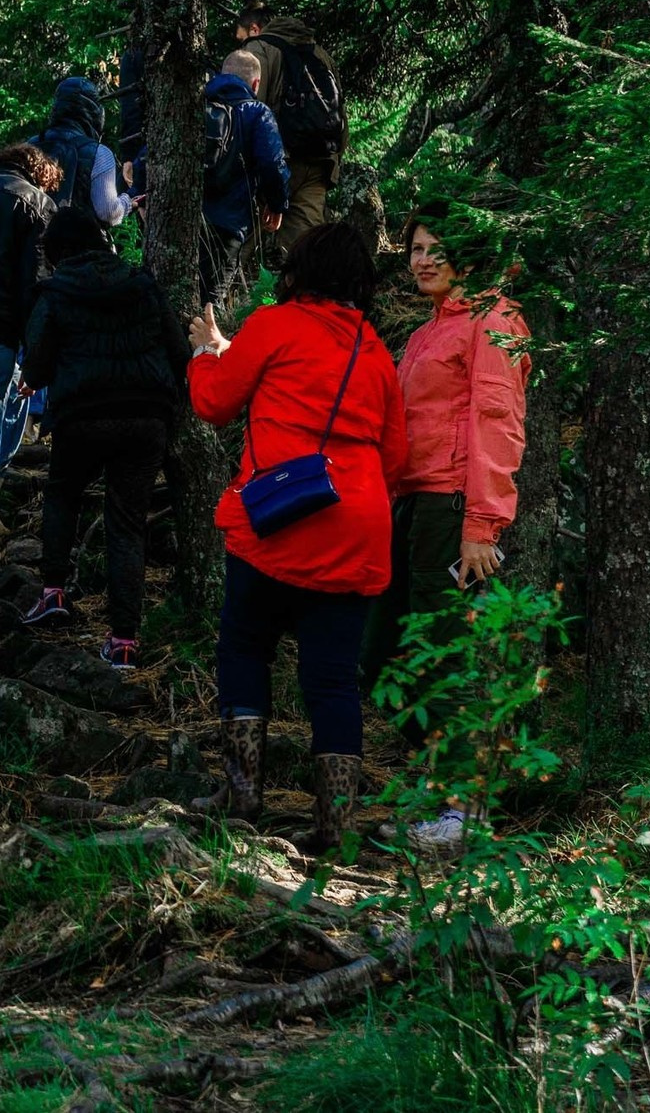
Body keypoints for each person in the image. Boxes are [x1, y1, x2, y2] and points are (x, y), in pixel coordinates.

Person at [186, 222, 406, 854]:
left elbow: (215, 402)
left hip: (277, 520)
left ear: (300, 270)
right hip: (358, 526)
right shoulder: (375, 351)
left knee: (245, 645)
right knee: (333, 681)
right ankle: (336, 828)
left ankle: (242, 791)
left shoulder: (276, 323)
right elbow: (395, 456)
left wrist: (206, 351)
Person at [358, 209, 532, 857]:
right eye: (415, 249)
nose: (421, 259)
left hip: (455, 510)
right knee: (382, 657)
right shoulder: (430, 332)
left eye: (436, 249)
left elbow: (499, 420)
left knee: (446, 652)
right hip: (411, 507)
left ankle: (463, 811)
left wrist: (483, 524)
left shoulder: (495, 318)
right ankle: (442, 785)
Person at [17, 206, 192, 672]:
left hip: (82, 416)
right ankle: (124, 642)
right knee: (127, 523)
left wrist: (34, 379)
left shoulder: (55, 292)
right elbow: (179, 351)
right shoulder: (144, 282)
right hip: (146, 416)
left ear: (57, 253)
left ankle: (53, 590)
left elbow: (37, 361)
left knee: (62, 491)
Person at [0, 143, 62, 538]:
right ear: (40, 174)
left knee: (6, 413)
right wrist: (40, 354)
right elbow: (36, 287)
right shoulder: (37, 205)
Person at [233, 10, 346, 247]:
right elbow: (339, 111)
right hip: (319, 162)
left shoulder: (259, 49)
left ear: (255, 29)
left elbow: (247, 111)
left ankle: (226, 285)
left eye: (240, 37)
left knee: (237, 244)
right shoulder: (320, 54)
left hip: (278, 160)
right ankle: (301, 283)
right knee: (303, 251)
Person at [198, 51, 289, 307]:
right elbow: (273, 164)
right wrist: (277, 204)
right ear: (256, 84)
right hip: (228, 224)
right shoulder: (257, 112)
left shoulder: (194, 105)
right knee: (210, 304)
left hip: (185, 219)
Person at [27, 76, 133, 227]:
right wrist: (127, 202)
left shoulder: (30, 146)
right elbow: (108, 213)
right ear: (95, 112)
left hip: (30, 244)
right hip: (78, 245)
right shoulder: (99, 153)